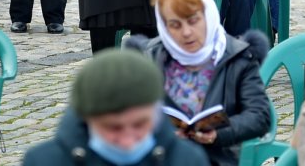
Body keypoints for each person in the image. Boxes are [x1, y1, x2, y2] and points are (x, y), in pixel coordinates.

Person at [129, 0, 272, 166]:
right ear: (164, 27)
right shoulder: (150, 56)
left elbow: (259, 116)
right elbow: (128, 112)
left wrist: (219, 133)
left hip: (217, 159)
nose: (187, 32)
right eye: (175, 25)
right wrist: (161, 130)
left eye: (193, 20)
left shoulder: (238, 57)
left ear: (208, 16)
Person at [23, 49, 207, 166]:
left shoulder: (187, 159)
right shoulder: (43, 161)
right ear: (87, 118)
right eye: (113, 127)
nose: (128, 141)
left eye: (140, 124)